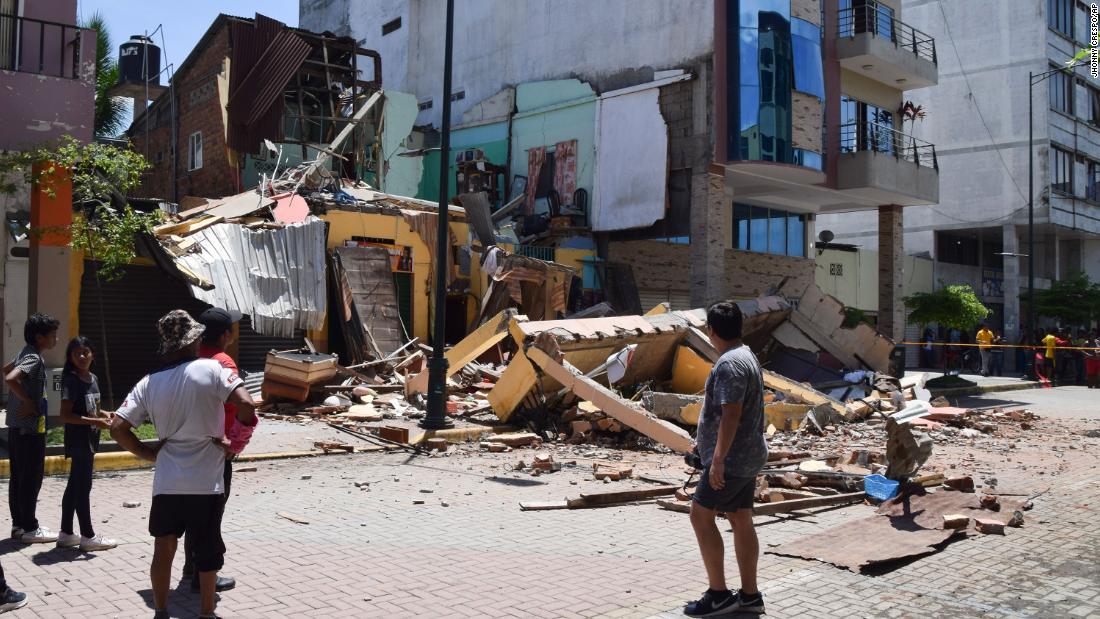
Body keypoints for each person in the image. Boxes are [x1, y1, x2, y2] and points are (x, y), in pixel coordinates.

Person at [111, 310, 258, 619]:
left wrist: (147, 453)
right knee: (206, 553)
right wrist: (235, 443)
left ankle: (161, 611)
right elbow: (246, 404)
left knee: (163, 548)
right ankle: (206, 613)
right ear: (194, 340)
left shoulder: (149, 382)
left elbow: (117, 428)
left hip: (167, 482)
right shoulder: (214, 369)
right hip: (208, 482)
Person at [685, 301, 767, 617]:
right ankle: (749, 595)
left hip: (732, 460)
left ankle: (718, 594)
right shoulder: (748, 357)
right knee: (740, 517)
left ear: (711, 331)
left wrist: (717, 460)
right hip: (748, 455)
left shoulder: (730, 364)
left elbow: (730, 414)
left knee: (700, 514)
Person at [180, 308, 258, 594]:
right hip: (215, 449)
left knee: (192, 513)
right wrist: (235, 444)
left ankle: (191, 568)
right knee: (211, 516)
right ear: (226, 335)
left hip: (187, 448)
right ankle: (204, 577)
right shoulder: (224, 363)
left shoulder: (189, 358)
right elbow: (243, 406)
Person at [56, 337, 117, 552]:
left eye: (85, 352)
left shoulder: (93, 378)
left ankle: (65, 533)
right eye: (77, 353)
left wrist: (105, 413)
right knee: (83, 486)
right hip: (79, 440)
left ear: (92, 354)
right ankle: (88, 536)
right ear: (70, 358)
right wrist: (95, 421)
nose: (82, 357)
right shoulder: (71, 381)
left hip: (90, 439)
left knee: (75, 485)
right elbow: (66, 415)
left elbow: (90, 408)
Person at [4, 313, 59, 544]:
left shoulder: (25, 352)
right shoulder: (34, 357)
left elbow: (6, 369)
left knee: (19, 478)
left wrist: (21, 400)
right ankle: (29, 527)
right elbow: (11, 378)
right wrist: (27, 401)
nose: (56, 338)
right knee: (30, 479)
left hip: (17, 428)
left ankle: (19, 526)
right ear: (40, 337)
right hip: (29, 429)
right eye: (52, 335)